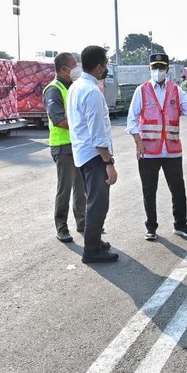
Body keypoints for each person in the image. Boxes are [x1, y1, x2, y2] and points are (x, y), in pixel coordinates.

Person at [126, 53, 187, 241]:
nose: (158, 71)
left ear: (167, 70)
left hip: (172, 150)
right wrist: (138, 142)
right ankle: (151, 226)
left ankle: (180, 224)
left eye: (161, 68)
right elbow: (131, 119)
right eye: (154, 68)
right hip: (148, 151)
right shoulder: (141, 91)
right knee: (149, 190)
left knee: (178, 189)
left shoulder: (176, 90)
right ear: (150, 70)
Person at [67, 45, 118, 263]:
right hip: (94, 156)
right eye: (105, 65)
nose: (105, 69)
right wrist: (109, 162)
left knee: (92, 201)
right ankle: (92, 251)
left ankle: (95, 242)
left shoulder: (75, 87)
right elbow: (98, 133)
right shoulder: (92, 92)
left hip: (81, 153)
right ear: (99, 67)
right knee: (98, 204)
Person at [43, 52, 86, 243]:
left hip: (77, 144)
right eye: (73, 65)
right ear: (63, 69)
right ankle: (61, 227)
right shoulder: (53, 89)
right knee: (65, 188)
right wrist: (83, 124)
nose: (77, 68)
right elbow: (58, 119)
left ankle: (83, 222)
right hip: (62, 146)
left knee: (81, 187)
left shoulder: (73, 87)